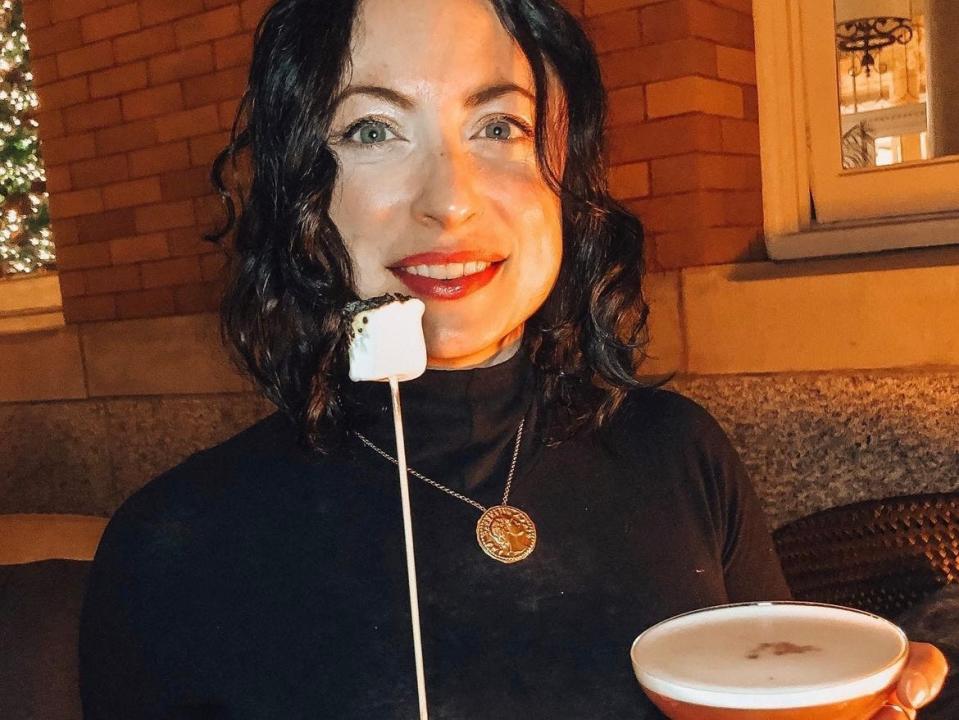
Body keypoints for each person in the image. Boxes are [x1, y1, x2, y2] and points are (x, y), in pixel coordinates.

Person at [77, 0, 947, 717]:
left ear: (564, 170)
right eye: (372, 130)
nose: (450, 201)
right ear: (297, 185)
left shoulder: (679, 452)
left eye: (499, 124)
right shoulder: (174, 545)